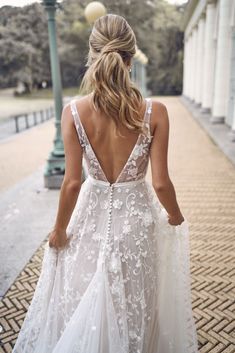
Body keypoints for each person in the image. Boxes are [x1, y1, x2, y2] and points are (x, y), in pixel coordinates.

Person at [12, 13, 198, 353]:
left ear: (93, 55)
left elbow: (71, 183)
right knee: (134, 310)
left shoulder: (73, 113)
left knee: (87, 304)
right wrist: (175, 215)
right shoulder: (154, 112)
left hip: (88, 221)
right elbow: (160, 183)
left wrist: (59, 230)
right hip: (137, 226)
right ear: (130, 59)